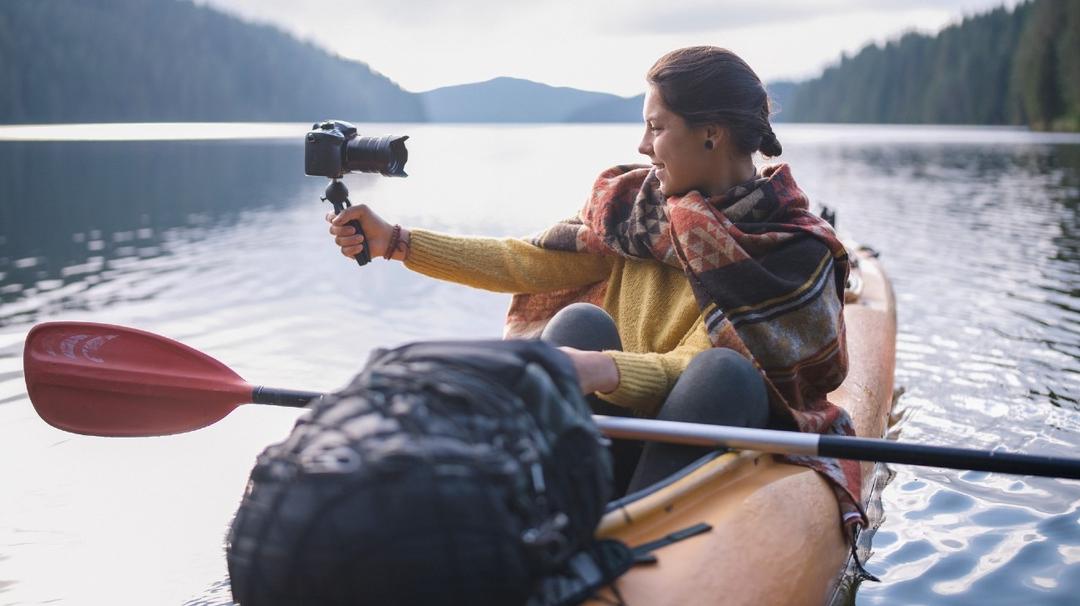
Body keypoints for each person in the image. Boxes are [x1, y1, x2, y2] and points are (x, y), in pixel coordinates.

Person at [326, 46, 860, 518]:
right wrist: (395, 242)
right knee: (581, 320)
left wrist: (600, 367)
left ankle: (629, 531)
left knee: (724, 373)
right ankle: (543, 508)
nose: (643, 146)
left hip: (708, 428)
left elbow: (694, 368)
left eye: (656, 126)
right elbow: (524, 262)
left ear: (711, 135)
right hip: (623, 419)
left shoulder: (790, 251)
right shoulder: (636, 213)